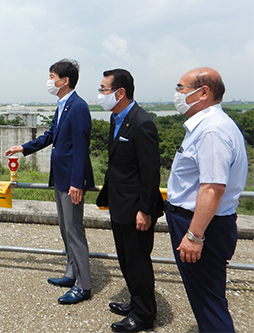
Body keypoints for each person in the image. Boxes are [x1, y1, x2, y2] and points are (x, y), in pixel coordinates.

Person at [5, 59, 94, 305]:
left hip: (71, 181)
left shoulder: (78, 107)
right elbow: (51, 135)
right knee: (66, 229)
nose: (49, 81)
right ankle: (71, 273)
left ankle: (83, 286)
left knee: (74, 230)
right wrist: (23, 148)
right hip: (61, 178)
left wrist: (78, 183)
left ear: (65, 80)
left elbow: (80, 149)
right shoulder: (63, 105)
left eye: (52, 76)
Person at [165, 68, 247, 332]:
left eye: (181, 88)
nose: (177, 94)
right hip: (199, 223)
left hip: (202, 227)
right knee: (206, 296)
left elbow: (212, 188)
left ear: (203, 92)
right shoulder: (206, 126)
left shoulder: (212, 130)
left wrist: (194, 235)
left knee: (209, 303)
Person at [96, 69, 164, 332]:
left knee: (137, 260)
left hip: (136, 208)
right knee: (126, 258)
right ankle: (135, 303)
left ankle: (144, 315)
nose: (100, 94)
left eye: (103, 89)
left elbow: (150, 171)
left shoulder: (142, 122)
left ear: (120, 92)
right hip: (120, 204)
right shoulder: (117, 118)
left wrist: (145, 210)